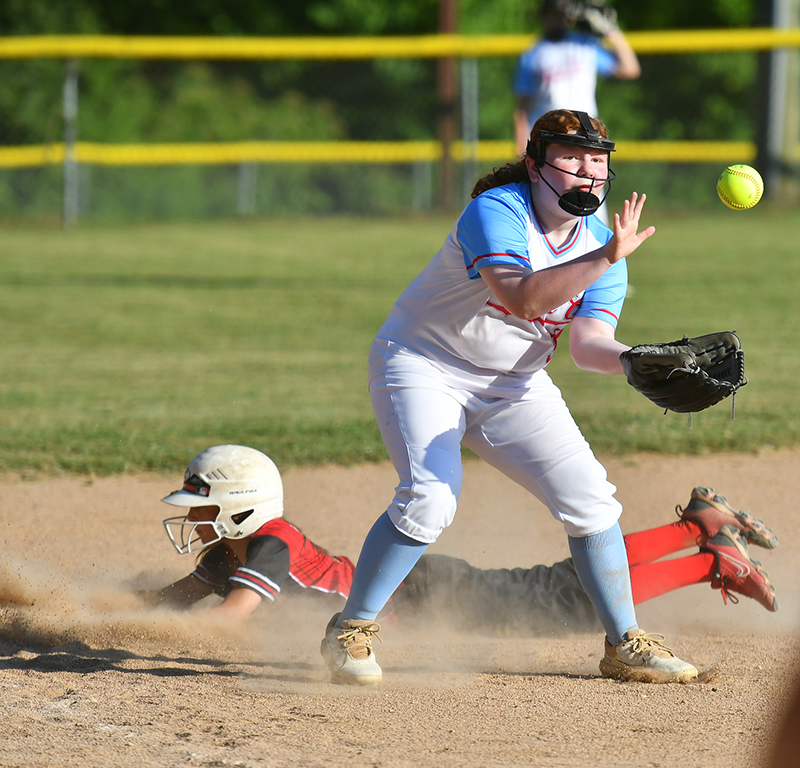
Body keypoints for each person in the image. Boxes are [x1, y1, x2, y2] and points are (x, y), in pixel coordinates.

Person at [318, 107, 734, 688]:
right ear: (536, 165)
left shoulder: (601, 247)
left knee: (592, 502)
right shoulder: (498, 210)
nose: (588, 171)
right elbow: (524, 299)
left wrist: (633, 362)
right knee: (431, 499)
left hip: (514, 384)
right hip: (421, 365)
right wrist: (606, 256)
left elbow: (588, 345)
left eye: (597, 159)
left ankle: (623, 644)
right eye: (571, 156)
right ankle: (351, 629)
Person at [143, 445, 778, 641]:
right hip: (414, 589)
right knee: (559, 582)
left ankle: (707, 560)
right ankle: (699, 527)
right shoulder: (224, 552)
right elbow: (168, 603)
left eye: (202, 508)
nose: (193, 520)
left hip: (426, 593)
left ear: (239, 509)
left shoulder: (268, 548)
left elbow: (223, 624)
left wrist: (122, 635)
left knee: (570, 601)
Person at [513, 0, 641, 155]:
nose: (559, 19)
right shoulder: (533, 54)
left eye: (563, 14)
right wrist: (521, 151)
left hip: (585, 131)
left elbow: (630, 69)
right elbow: (522, 109)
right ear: (543, 17)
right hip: (548, 134)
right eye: (554, 14)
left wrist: (611, 31)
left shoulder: (586, 45)